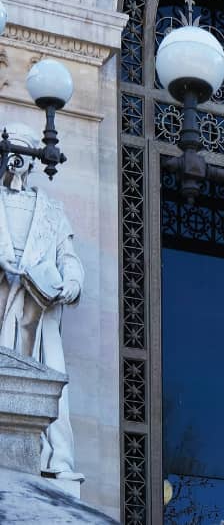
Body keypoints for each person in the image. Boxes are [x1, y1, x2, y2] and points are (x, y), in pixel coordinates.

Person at [0, 124, 81, 480]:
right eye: (10, 150)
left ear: (33, 160)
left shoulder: (50, 209)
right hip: (3, 300)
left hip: (38, 306)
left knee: (47, 384)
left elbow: (69, 255)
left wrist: (72, 282)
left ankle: (53, 460)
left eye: (22, 152)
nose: (15, 160)